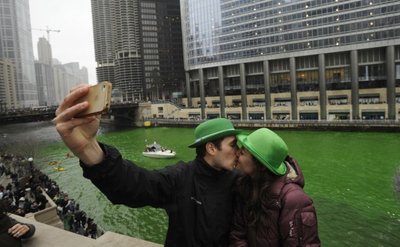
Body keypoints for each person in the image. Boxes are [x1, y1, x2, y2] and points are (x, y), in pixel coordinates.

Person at [52, 84, 241, 246]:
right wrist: (89, 148)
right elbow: (135, 185)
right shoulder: (180, 178)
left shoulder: (242, 180)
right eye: (233, 145)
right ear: (211, 148)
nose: (238, 151)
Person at [230, 128, 320, 246]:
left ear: (259, 163)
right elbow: (237, 234)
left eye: (242, 152)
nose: (236, 154)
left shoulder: (294, 199)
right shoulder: (245, 186)